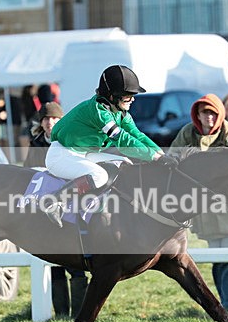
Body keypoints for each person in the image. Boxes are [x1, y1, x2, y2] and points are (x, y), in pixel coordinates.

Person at [42, 65, 165, 227]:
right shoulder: (99, 112)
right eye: (128, 96)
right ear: (113, 96)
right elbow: (123, 141)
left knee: (124, 163)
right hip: (62, 155)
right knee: (99, 176)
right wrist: (154, 157)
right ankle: (55, 201)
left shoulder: (120, 113)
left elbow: (137, 135)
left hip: (82, 153)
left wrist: (161, 153)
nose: (133, 99)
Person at [169, 94, 228, 315]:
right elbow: (172, 157)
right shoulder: (188, 133)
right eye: (205, 112)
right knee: (218, 259)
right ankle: (225, 304)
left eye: (214, 113)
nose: (210, 117)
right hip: (205, 210)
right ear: (198, 114)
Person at [22, 102, 88, 317]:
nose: (49, 122)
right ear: (41, 122)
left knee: (75, 264)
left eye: (54, 118)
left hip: (69, 206)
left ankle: (79, 313)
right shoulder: (36, 144)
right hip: (44, 208)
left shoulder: (69, 140)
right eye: (46, 119)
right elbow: (28, 173)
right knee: (54, 264)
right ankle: (61, 314)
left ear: (61, 120)